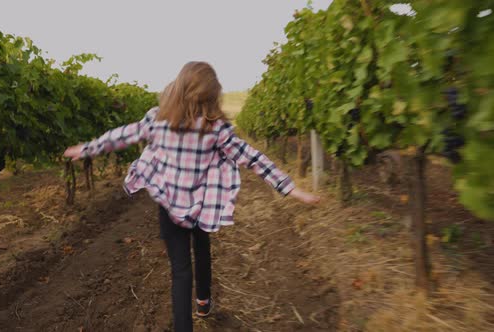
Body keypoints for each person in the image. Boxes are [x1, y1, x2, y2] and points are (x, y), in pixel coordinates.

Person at [63, 61, 321, 332]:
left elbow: (124, 135)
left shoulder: (157, 118)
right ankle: (203, 302)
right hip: (200, 206)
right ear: (212, 95)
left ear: (179, 87)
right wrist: (289, 187)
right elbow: (251, 157)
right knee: (202, 248)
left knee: (180, 271)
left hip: (168, 206)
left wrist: (89, 148)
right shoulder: (216, 129)